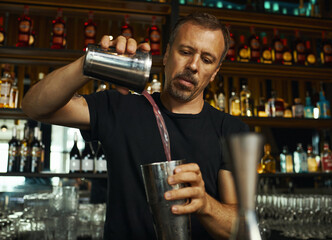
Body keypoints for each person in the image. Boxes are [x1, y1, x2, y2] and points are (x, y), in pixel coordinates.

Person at [22, 12, 248, 240]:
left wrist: (205, 204)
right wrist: (91, 61)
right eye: (185, 52)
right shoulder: (119, 108)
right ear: (168, 53)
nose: (193, 65)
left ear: (215, 73)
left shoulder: (231, 130)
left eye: (207, 60)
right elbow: (35, 107)